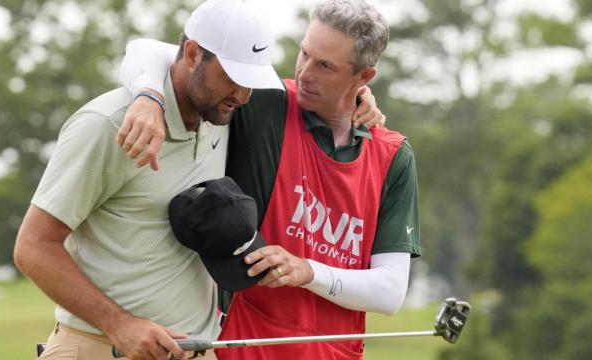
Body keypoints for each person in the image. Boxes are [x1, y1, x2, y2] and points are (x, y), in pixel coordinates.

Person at [118, 0, 421, 359]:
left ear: (364, 78)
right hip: (239, 345)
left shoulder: (393, 157)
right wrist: (149, 96)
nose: (306, 72)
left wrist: (307, 270)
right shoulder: (265, 104)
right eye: (304, 53)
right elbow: (154, 51)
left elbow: (388, 292)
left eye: (325, 65)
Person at [12, 0, 285, 359]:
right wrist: (119, 324)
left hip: (195, 350)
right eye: (233, 77)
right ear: (191, 54)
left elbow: (152, 52)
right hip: (103, 348)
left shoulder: (219, 112)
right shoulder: (106, 124)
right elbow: (33, 247)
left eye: (251, 81)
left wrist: (356, 101)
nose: (244, 95)